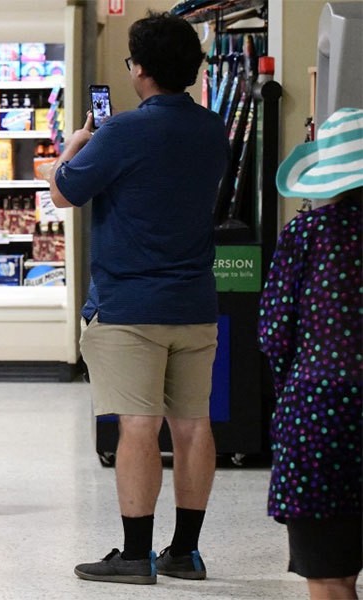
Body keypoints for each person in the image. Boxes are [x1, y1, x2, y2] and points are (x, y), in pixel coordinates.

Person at [46, 12, 229, 584]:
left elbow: (65, 194)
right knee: (194, 425)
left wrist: (73, 147)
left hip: (129, 306)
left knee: (139, 426)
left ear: (140, 70)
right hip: (195, 302)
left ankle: (133, 554)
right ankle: (186, 552)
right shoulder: (212, 128)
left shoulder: (121, 131)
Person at [259, 107, 362, 600]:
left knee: (328, 576)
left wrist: (292, 391)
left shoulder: (305, 235)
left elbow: (276, 334)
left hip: (320, 414)